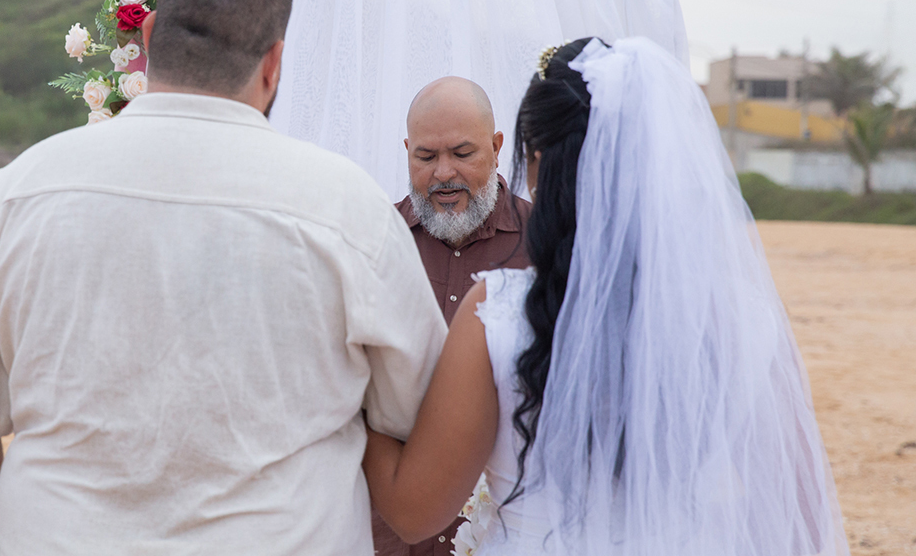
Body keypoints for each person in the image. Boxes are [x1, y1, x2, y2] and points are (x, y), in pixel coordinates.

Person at [0, 0, 448, 556]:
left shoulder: (22, 190)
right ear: (274, 63)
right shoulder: (346, 208)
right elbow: (422, 419)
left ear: (146, 38)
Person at [363, 37, 849, 556]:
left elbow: (413, 511)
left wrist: (355, 402)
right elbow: (803, 520)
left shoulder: (497, 314)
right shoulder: (745, 320)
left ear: (535, 160)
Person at [374, 78, 532, 556]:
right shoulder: (373, 243)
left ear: (497, 146)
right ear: (406, 152)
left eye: (462, 154)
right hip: (386, 536)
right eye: (425, 157)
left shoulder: (548, 249)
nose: (444, 173)